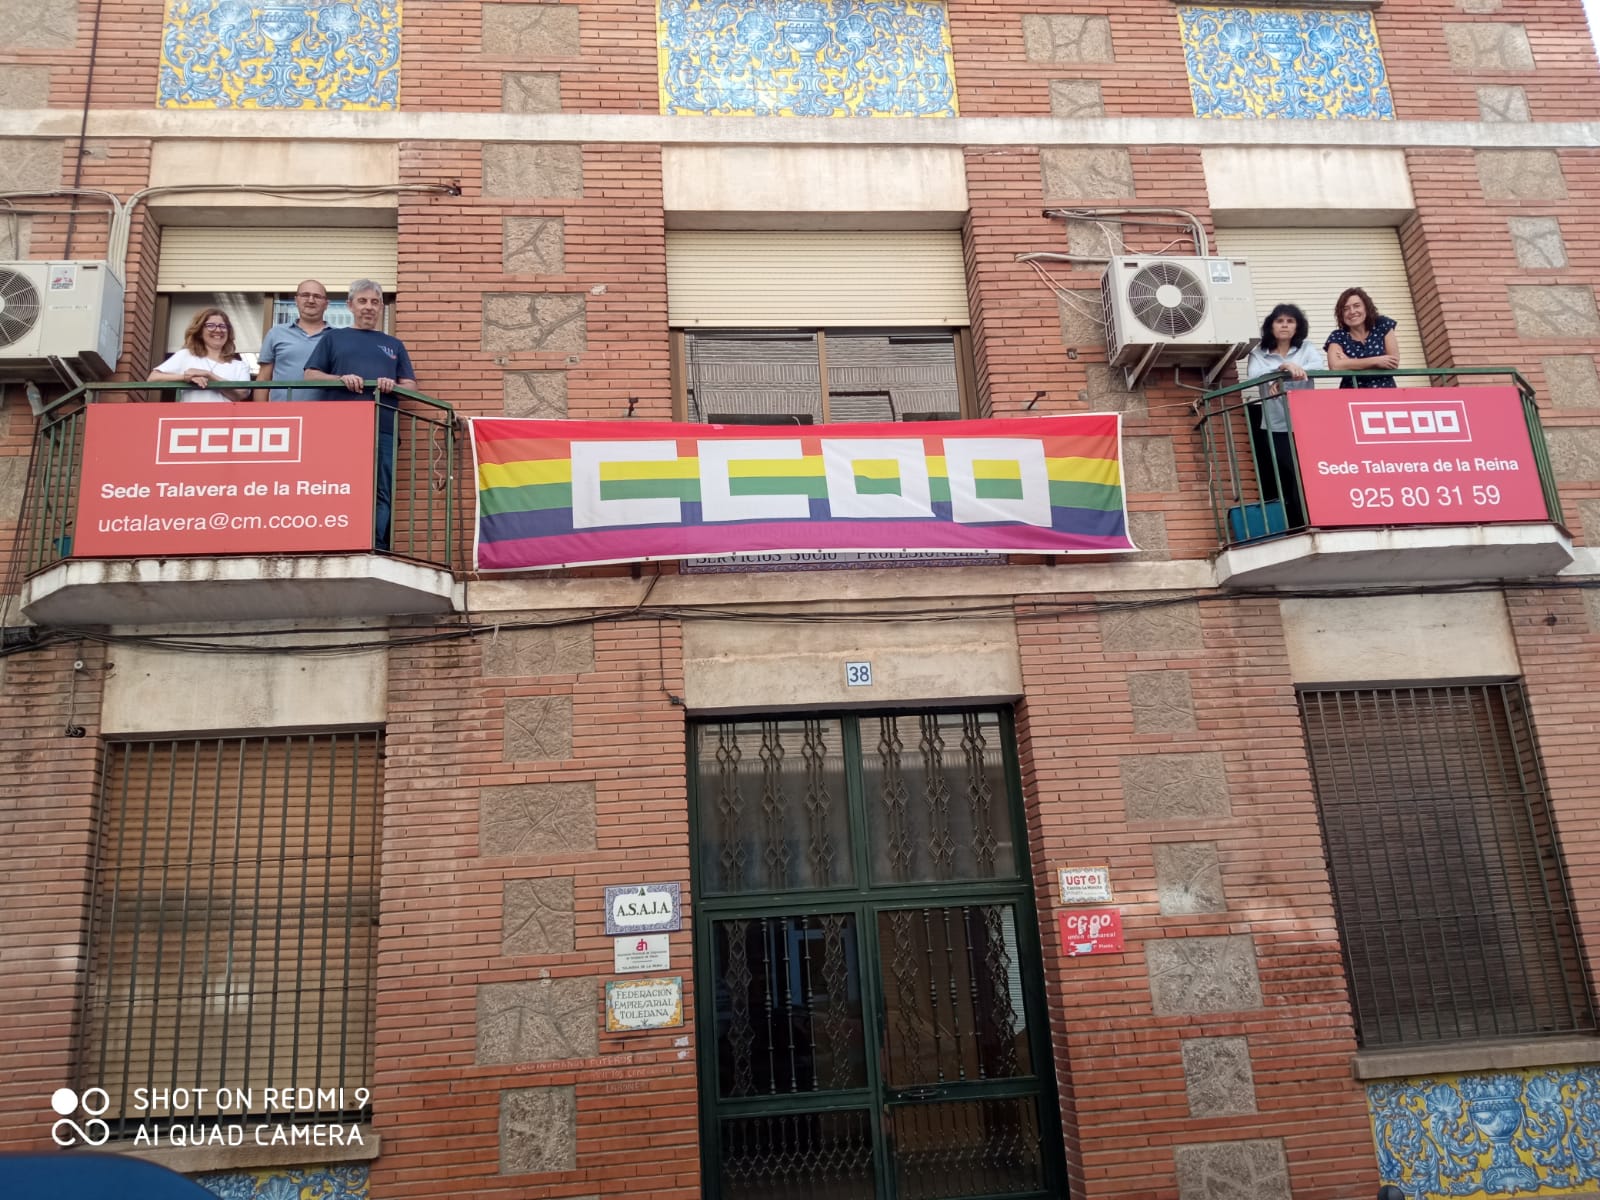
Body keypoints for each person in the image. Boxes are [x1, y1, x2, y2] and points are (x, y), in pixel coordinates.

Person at [302, 279, 416, 550]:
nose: (369, 307)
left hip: (384, 428)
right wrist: (341, 378)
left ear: (381, 309)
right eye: (363, 301)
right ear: (350, 305)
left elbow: (411, 386)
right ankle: (336, 543)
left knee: (381, 491)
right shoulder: (333, 337)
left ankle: (373, 547)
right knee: (339, 487)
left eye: (375, 302)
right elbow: (311, 375)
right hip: (340, 429)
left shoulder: (394, 344)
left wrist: (393, 386)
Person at [1245, 302, 1325, 527]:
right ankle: (1300, 522)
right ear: (1271, 326)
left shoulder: (1306, 348)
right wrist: (1281, 370)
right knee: (1291, 471)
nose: (1285, 325)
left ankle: (1316, 517)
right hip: (1275, 425)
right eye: (1280, 321)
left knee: (1309, 470)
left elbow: (1318, 368)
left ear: (1297, 327)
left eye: (1290, 321)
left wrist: (1289, 372)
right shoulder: (1259, 353)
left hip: (1305, 421)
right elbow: (1253, 377)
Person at [146, 308, 252, 402]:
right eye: (210, 326)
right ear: (200, 332)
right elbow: (153, 378)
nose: (218, 330)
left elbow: (242, 393)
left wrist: (210, 376)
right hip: (191, 420)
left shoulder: (240, 366)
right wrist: (186, 377)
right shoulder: (186, 355)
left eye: (223, 326)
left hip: (224, 422)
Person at [257, 279, 331, 401]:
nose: (311, 300)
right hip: (284, 414)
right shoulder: (276, 333)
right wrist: (261, 415)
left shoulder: (337, 336)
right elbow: (263, 379)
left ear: (326, 304)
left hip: (325, 414)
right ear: (296, 300)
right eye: (305, 295)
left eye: (317, 296)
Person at [1325, 286, 1399, 388]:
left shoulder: (1382, 324)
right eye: (1346, 309)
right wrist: (1376, 361)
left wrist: (1349, 363)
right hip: (1352, 395)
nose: (1352, 311)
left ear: (1366, 307)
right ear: (1341, 314)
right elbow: (1335, 366)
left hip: (1385, 393)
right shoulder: (1338, 336)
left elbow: (1393, 363)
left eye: (1357, 306)